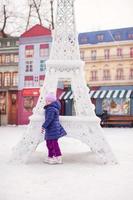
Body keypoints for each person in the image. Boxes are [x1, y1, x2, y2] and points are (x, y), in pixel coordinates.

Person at [42, 93, 67, 164]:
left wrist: (44, 126)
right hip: (50, 129)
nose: (46, 102)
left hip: (53, 128)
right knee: (49, 143)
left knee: (54, 143)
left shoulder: (51, 109)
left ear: (51, 101)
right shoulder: (50, 108)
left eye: (47, 101)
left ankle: (58, 157)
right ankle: (51, 156)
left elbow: (49, 119)